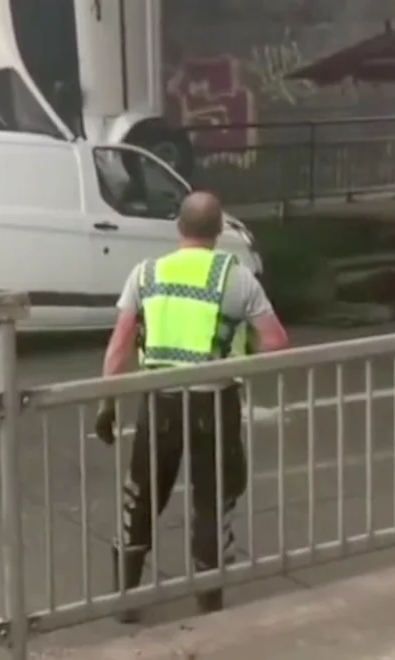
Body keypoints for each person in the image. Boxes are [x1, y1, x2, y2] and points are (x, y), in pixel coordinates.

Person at [93, 191, 290, 620]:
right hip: (214, 403)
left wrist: (107, 405)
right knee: (211, 503)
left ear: (179, 229)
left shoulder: (145, 274)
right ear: (218, 231)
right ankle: (208, 603)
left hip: (159, 404)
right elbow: (276, 343)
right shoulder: (236, 279)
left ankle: (125, 603)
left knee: (140, 499)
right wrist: (240, 353)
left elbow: (118, 348)